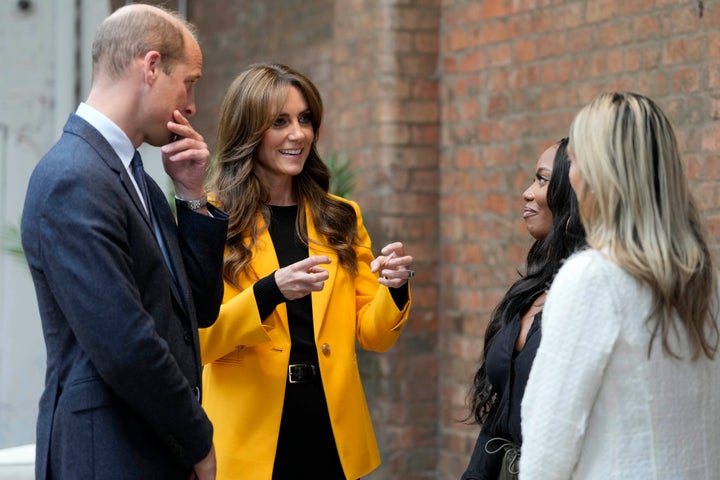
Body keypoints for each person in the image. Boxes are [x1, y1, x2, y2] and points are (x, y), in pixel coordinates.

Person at [20, 5, 228, 479]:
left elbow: (197, 307)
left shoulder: (140, 180)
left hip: (145, 448)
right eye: (189, 82)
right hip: (109, 454)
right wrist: (197, 439)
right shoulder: (72, 177)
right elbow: (126, 344)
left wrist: (192, 195)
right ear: (151, 66)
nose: (192, 105)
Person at [198, 62, 414, 479]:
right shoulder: (211, 219)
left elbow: (373, 334)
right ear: (249, 131)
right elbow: (200, 342)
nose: (298, 133)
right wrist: (270, 291)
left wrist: (396, 288)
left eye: (305, 119)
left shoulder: (341, 217)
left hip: (330, 430)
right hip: (248, 440)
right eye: (279, 122)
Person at [520, 92, 720, 479]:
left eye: (575, 161)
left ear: (600, 173)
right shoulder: (703, 279)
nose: (571, 176)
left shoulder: (593, 279)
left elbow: (548, 445)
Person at [461, 138, 585, 480]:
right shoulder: (527, 292)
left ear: (571, 190)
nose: (527, 193)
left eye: (542, 180)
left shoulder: (589, 296)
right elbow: (499, 412)